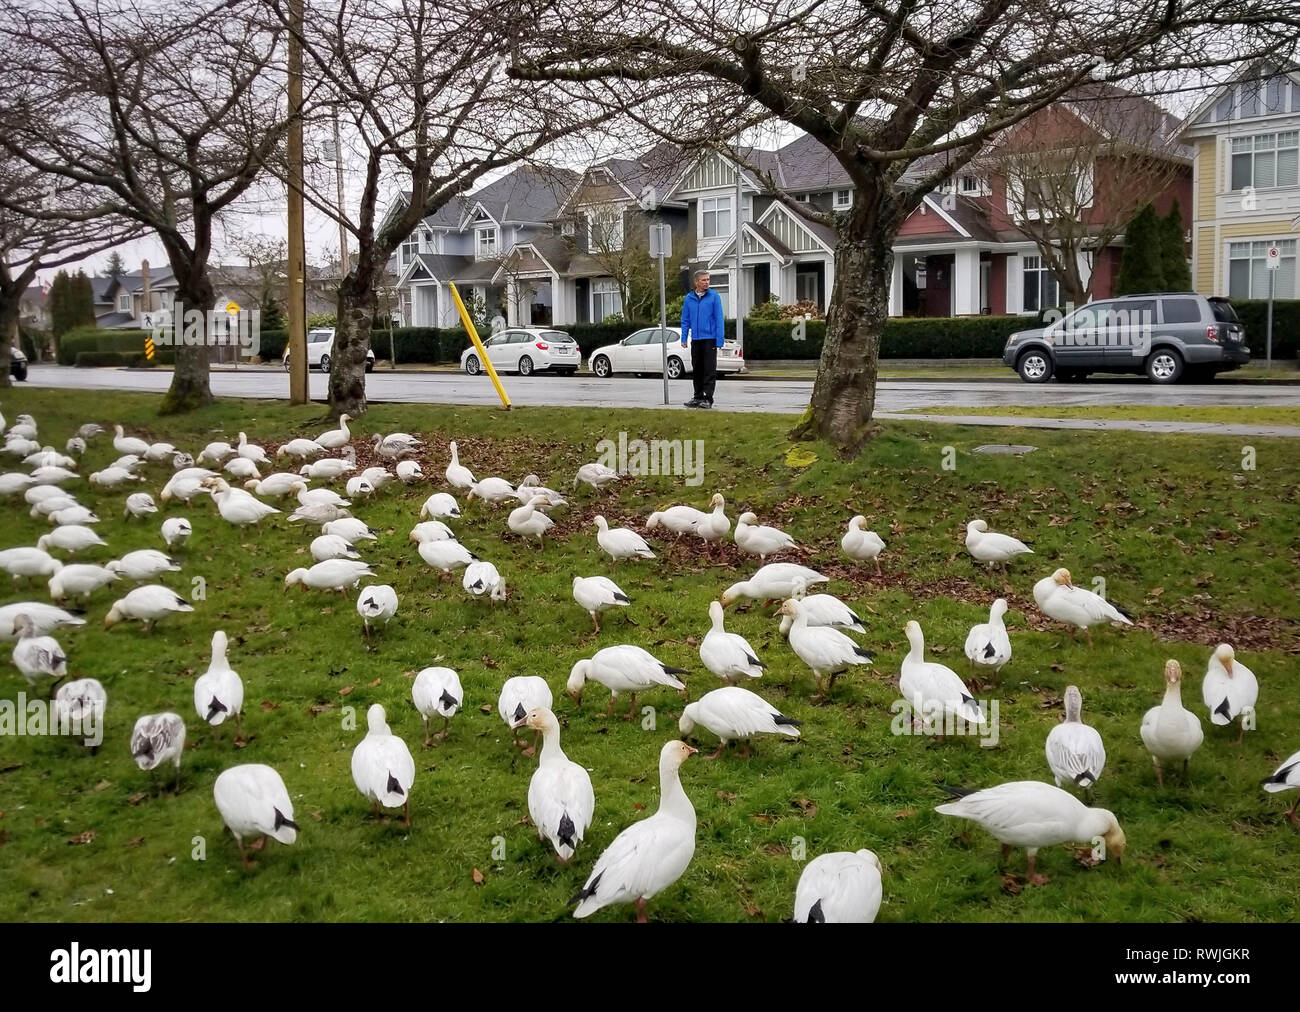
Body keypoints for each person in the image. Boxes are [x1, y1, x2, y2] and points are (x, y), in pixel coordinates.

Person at [679, 269, 725, 408]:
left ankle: (708, 398)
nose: (707, 282)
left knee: (709, 370)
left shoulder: (714, 297)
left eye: (708, 280)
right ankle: (697, 396)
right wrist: (684, 337)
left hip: (709, 338)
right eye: (704, 280)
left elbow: (719, 319)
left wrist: (719, 340)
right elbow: (685, 320)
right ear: (696, 282)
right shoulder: (689, 298)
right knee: (697, 368)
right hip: (696, 339)